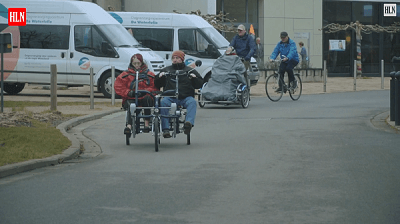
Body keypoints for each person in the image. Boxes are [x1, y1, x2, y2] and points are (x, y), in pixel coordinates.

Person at [155, 50, 204, 138]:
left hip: (185, 97)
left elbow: (199, 84)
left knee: (192, 102)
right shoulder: (166, 70)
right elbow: (157, 85)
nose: (175, 60)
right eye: (173, 58)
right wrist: (160, 77)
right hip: (170, 97)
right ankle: (165, 129)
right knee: (163, 103)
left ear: (182, 59)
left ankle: (188, 123)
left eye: (177, 58)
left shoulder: (189, 70)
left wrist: (194, 78)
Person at [114, 53, 159, 134]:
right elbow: (118, 86)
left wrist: (145, 91)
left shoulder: (150, 75)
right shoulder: (125, 75)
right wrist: (129, 92)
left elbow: (155, 87)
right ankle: (129, 126)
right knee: (131, 106)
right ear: (131, 63)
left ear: (142, 63)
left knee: (148, 100)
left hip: (145, 97)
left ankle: (147, 123)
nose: (136, 65)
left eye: (138, 63)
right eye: (134, 63)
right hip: (131, 98)